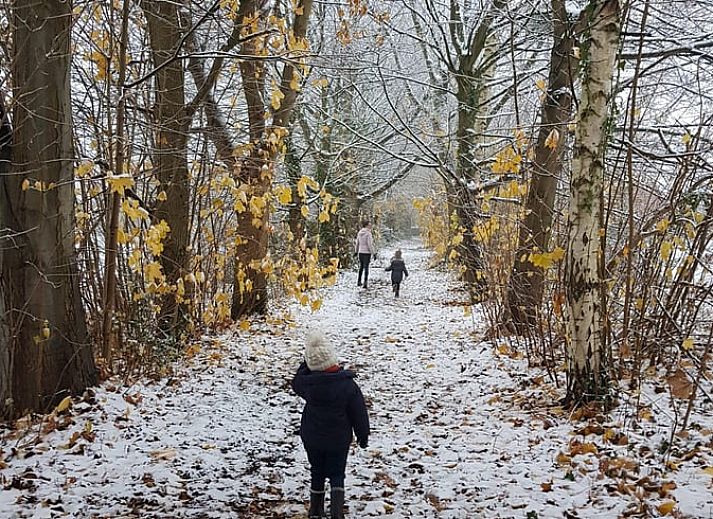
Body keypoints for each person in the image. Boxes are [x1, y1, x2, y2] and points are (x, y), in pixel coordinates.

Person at [291, 331, 370, 519]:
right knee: (337, 473)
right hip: (338, 440)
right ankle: (336, 512)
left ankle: (315, 510)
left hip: (312, 438)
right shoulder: (348, 385)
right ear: (333, 360)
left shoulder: (308, 384)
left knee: (317, 471)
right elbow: (359, 413)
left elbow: (296, 380)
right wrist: (363, 435)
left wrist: (307, 364)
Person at [354, 220, 376, 289]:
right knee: (366, 268)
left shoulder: (359, 233)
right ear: (366, 225)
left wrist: (356, 251)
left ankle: (359, 281)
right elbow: (370, 244)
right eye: (369, 224)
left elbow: (357, 243)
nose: (370, 226)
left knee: (361, 267)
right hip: (367, 253)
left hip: (360, 252)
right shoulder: (368, 233)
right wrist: (373, 253)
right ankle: (365, 283)